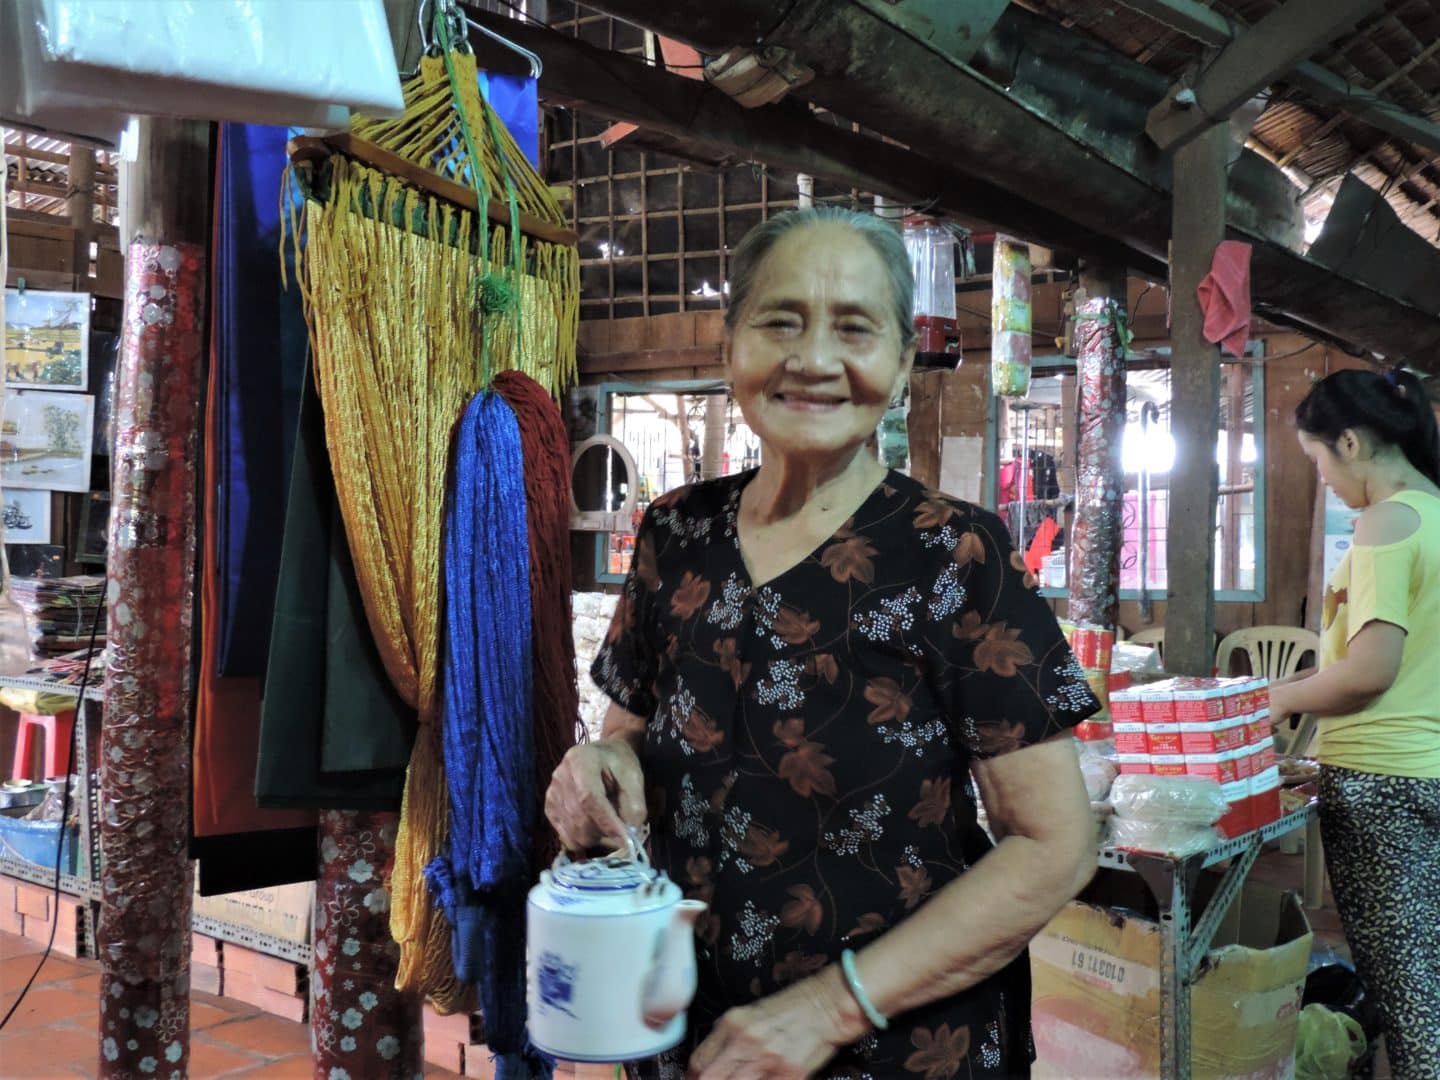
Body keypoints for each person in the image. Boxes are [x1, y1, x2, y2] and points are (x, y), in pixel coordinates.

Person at [547, 208, 1101, 1079]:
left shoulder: (956, 555)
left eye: (854, 327)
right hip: (686, 1035)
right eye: (780, 321)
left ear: (900, 359)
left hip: (895, 1047)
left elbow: (1055, 845)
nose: (813, 360)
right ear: (731, 344)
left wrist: (829, 1009)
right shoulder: (676, 533)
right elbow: (630, 735)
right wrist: (598, 772)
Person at [1269, 367, 1440, 1078]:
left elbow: (1371, 671)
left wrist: (1275, 701)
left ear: (1350, 441)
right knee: (1429, 967)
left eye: (1318, 462)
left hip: (1382, 784)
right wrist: (1299, 683)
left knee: (1410, 996)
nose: (1325, 482)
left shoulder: (1386, 518)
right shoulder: (1434, 511)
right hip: (1425, 771)